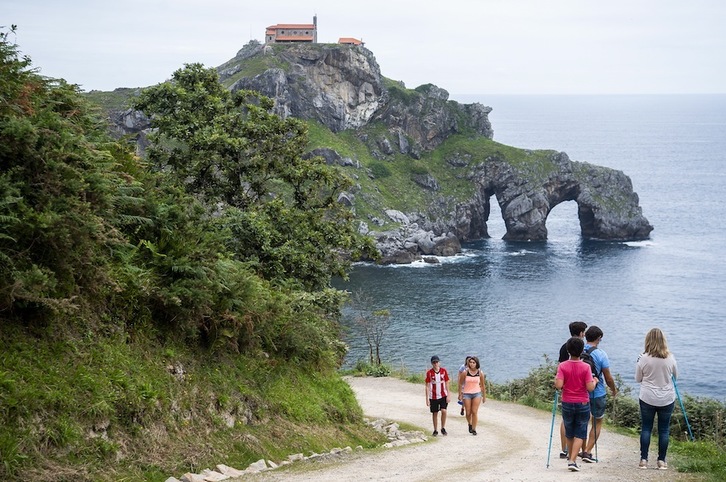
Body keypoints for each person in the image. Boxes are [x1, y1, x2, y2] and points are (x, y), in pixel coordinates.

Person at [635, 328, 678, 470]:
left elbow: (638, 379)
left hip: (647, 397)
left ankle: (643, 460)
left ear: (647, 340)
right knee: (664, 430)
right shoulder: (670, 357)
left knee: (646, 428)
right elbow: (676, 376)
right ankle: (661, 461)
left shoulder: (643, 358)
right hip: (666, 398)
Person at [555, 337, 597, 472]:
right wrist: (595, 381)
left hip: (567, 401)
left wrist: (556, 380)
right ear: (581, 351)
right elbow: (590, 388)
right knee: (580, 431)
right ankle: (572, 460)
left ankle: (570, 457)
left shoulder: (562, 366)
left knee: (569, 430)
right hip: (582, 402)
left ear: (568, 350)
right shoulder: (586, 367)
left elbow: (559, 385)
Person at [581, 325, 618, 463]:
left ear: (585, 336)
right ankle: (588, 451)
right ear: (599, 338)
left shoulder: (579, 349)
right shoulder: (601, 354)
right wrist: (614, 389)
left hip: (581, 392)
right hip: (597, 392)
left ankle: (579, 448)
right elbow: (608, 378)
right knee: (597, 422)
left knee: (582, 422)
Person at [558, 321, 588, 459]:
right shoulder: (583, 348)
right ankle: (580, 451)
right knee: (581, 427)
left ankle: (565, 449)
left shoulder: (565, 347)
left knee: (566, 421)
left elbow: (560, 367)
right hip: (581, 395)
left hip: (566, 391)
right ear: (581, 333)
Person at [457, 356, 486, 435]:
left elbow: (483, 385)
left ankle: (474, 429)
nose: (472, 364)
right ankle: (469, 423)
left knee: (474, 412)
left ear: (476, 363)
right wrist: (460, 394)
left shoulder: (480, 373)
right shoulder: (465, 372)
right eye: (470, 362)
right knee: (468, 412)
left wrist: (484, 396)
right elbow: (460, 383)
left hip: (477, 393)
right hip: (467, 394)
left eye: (473, 362)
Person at [425, 355, 450, 436]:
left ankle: (443, 427)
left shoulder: (443, 371)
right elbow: (427, 386)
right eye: (434, 362)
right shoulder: (429, 373)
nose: (436, 364)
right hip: (433, 396)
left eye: (437, 362)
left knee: (444, 411)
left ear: (439, 362)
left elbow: (446, 383)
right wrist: (427, 399)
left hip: (443, 395)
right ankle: (435, 429)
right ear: (432, 363)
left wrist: (448, 395)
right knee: (435, 413)